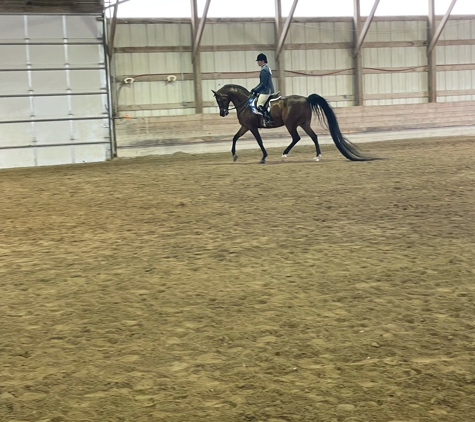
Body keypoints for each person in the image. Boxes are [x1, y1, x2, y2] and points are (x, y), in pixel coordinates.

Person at [251, 53, 274, 125]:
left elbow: (263, 84)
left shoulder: (264, 69)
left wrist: (255, 90)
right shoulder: (267, 68)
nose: (258, 62)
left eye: (258, 61)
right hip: (268, 89)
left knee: (259, 105)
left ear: (262, 61)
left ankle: (268, 120)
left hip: (266, 91)